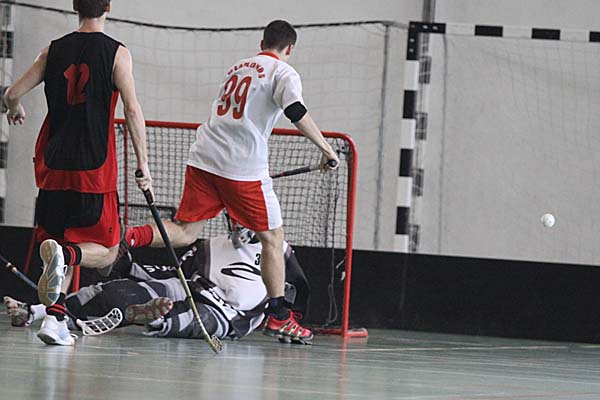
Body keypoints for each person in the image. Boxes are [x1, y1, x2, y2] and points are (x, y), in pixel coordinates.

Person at [126, 20, 337, 344]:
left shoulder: (238, 66)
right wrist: (326, 149)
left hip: (203, 157)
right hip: (241, 168)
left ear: (262, 42)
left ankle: (124, 237)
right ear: (290, 48)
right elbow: (295, 110)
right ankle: (279, 316)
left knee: (186, 230)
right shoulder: (283, 72)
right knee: (273, 239)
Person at [3, 0, 152, 345]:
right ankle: (66, 259)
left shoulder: (52, 50)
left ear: (74, 6)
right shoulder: (117, 53)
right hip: (94, 167)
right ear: (108, 7)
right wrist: (143, 163)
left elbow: (11, 93)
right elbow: (132, 109)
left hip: (53, 164)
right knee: (107, 250)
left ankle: (54, 321)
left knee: (56, 245)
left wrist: (15, 108)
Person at [4, 228, 311, 343]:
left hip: (227, 315)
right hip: (189, 286)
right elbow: (174, 272)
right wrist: (129, 267)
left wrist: (287, 321)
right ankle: (35, 311)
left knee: (191, 318)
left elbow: (295, 290)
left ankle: (150, 316)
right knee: (114, 293)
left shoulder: (280, 251)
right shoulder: (212, 244)